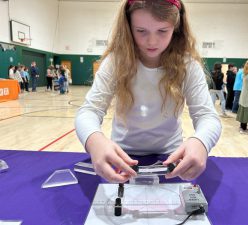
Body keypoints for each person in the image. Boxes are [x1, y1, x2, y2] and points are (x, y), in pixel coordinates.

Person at [75, 0, 221, 183]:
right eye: (141, 31)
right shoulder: (116, 62)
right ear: (129, 27)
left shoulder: (188, 65)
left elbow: (207, 116)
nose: (152, 41)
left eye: (162, 31)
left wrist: (201, 142)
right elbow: (89, 111)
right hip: (122, 156)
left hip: (171, 157)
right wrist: (94, 141)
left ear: (175, 27)